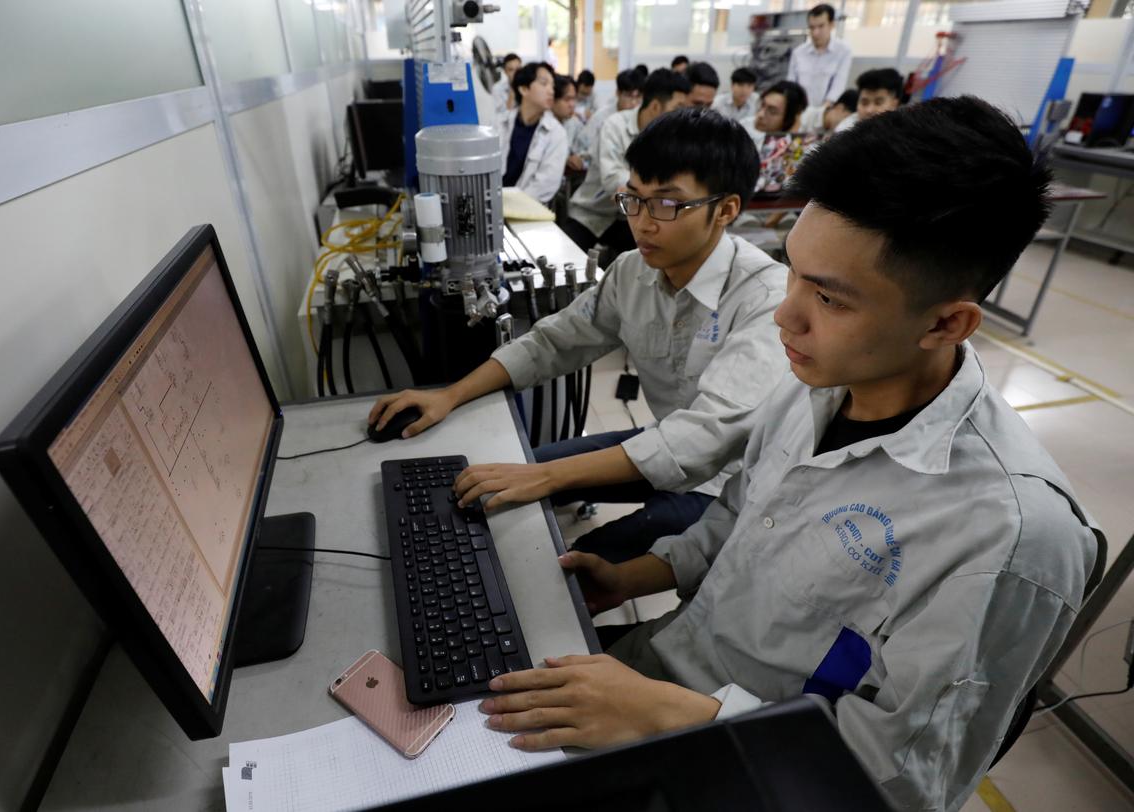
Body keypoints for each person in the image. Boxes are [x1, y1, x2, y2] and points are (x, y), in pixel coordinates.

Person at [474, 96, 1101, 812]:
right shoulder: (815, 387)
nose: (784, 314)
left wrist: (663, 717)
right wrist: (633, 575)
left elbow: (896, 783)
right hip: (663, 674)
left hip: (751, 772)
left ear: (947, 322)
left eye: (830, 300)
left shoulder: (1007, 537)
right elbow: (737, 521)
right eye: (792, 271)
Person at [370, 108, 787, 563]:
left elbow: (705, 437)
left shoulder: (765, 299)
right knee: (501, 480)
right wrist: (450, 395)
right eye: (634, 199)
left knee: (579, 561)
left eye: (667, 204)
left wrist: (550, 478)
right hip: (660, 446)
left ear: (726, 210)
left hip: (733, 486)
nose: (643, 223)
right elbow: (554, 341)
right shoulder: (633, 272)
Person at [562, 69, 691, 254]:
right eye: (678, 108)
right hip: (591, 213)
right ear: (655, 106)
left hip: (631, 220)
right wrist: (644, 192)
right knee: (567, 263)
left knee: (656, 261)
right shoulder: (615, 125)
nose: (682, 116)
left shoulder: (672, 138)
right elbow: (612, 178)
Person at [497, 62, 568, 205]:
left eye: (552, 86)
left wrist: (507, 206)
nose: (551, 91)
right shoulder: (499, 123)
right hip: (492, 205)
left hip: (527, 211)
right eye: (544, 83)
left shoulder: (556, 133)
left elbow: (545, 185)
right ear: (523, 89)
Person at [787, 4, 852, 107]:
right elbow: (791, 85)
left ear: (831, 25)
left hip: (825, 112)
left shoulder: (843, 51)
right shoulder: (798, 53)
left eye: (821, 26)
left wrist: (820, 114)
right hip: (799, 111)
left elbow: (838, 86)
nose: (815, 33)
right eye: (812, 28)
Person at [576, 68, 646, 163]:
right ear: (618, 93)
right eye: (629, 96)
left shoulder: (642, 119)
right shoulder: (601, 117)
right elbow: (582, 145)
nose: (634, 103)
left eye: (638, 97)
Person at [751, 80, 808, 147]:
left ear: (791, 118)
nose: (760, 114)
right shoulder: (746, 127)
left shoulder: (804, 144)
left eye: (772, 111)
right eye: (762, 105)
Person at [552, 74, 588, 174]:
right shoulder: (541, 124)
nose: (572, 105)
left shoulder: (573, 122)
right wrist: (565, 160)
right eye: (567, 99)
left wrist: (579, 159)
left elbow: (585, 148)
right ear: (552, 100)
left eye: (574, 99)